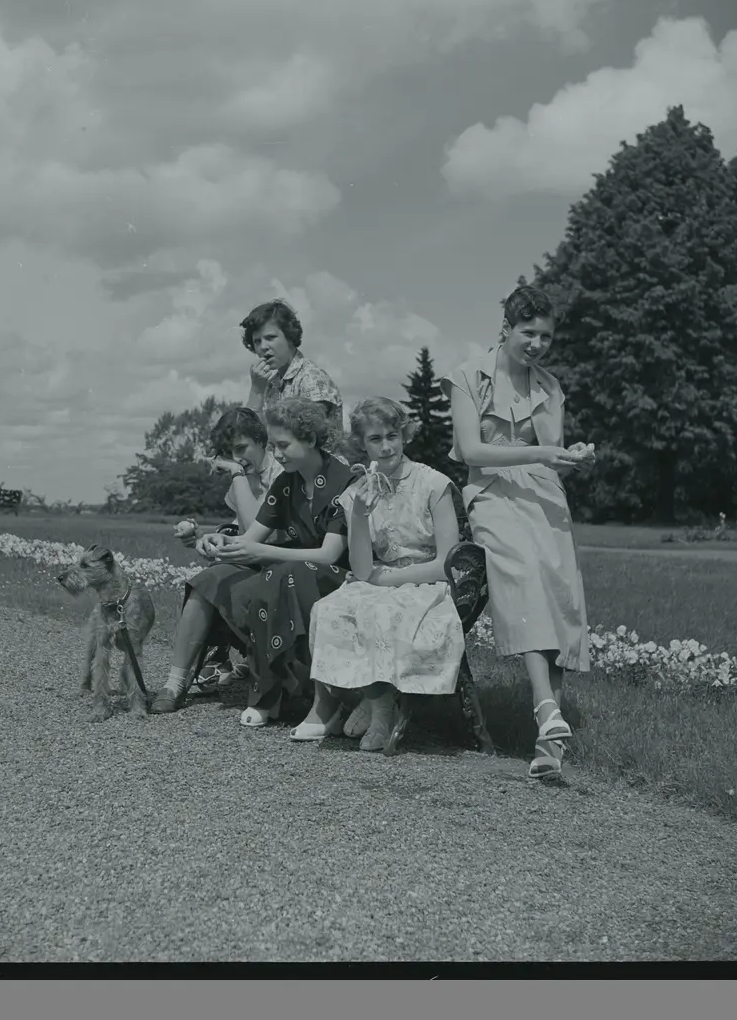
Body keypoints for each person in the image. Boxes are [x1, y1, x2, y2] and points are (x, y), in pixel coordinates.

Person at [440, 284, 596, 780]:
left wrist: (573, 458)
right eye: (529, 333)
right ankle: (545, 705)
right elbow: (471, 451)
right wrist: (542, 454)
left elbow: (554, 458)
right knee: (525, 574)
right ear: (506, 328)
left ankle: (549, 744)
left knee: (560, 591)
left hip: (544, 492)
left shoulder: (549, 387)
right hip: (491, 492)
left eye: (546, 336)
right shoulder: (468, 377)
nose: (537, 344)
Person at [151, 398, 353, 726]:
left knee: (282, 574)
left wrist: (262, 553)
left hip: (333, 578)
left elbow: (329, 555)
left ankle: (277, 692)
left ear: (310, 439)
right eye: (274, 446)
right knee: (212, 578)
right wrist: (222, 542)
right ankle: (174, 682)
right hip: (286, 570)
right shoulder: (287, 483)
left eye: (283, 445)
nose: (278, 454)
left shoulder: (342, 479)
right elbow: (252, 537)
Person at [293, 398, 467, 751]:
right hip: (378, 577)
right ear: (362, 444)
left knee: (379, 609)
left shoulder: (433, 484)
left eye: (392, 436)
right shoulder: (357, 492)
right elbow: (360, 568)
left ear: (404, 436)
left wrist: (384, 580)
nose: (386, 446)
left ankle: (381, 714)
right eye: (375, 439)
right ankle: (373, 701)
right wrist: (359, 514)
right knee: (329, 608)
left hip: (427, 580)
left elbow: (447, 562)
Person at [172, 407, 283, 695]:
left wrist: (236, 473)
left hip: (282, 561)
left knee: (214, 580)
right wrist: (209, 539)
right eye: (228, 453)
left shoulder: (281, 471)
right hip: (255, 560)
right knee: (204, 581)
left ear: (262, 440)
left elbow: (258, 531)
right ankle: (175, 681)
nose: (236, 458)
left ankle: (222, 659)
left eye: (241, 448)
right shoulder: (243, 476)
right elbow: (239, 527)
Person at [241, 299, 346, 455]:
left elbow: (309, 444)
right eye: (257, 341)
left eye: (270, 337)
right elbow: (251, 438)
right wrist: (256, 390)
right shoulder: (271, 384)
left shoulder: (311, 379)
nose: (263, 347)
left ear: (290, 337)